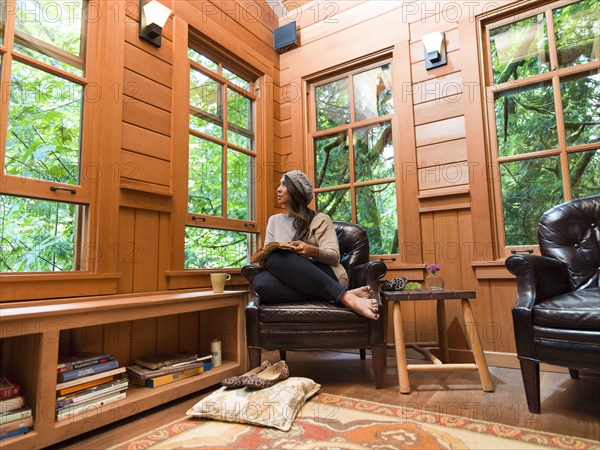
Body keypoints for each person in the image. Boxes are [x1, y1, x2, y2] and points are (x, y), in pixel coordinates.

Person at [252, 170, 380, 320]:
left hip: (328, 274)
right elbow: (269, 255)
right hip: (291, 278)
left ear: (296, 191)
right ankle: (342, 294)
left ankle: (346, 297)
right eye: (279, 185)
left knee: (276, 258)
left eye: (284, 185)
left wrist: (310, 250)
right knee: (261, 283)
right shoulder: (274, 221)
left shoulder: (321, 219)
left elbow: (334, 256)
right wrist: (264, 258)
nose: (278, 189)